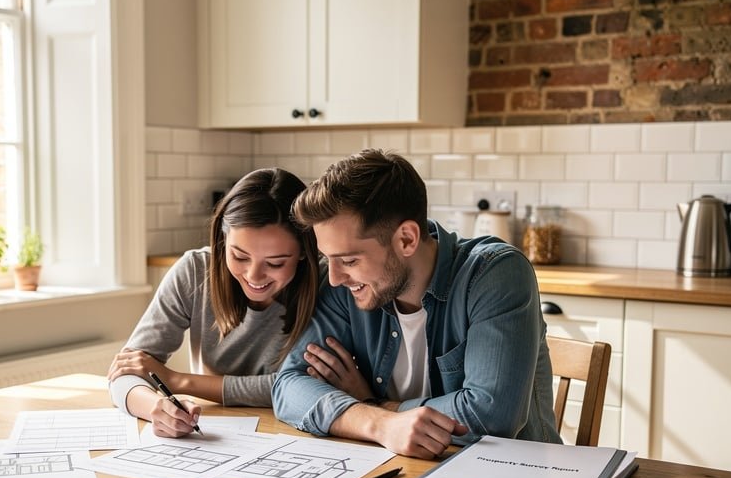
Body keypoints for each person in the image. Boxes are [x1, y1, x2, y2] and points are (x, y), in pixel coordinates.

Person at [272, 148, 561, 459]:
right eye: (328, 258)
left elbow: (489, 417)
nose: (335, 278)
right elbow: (288, 387)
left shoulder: (494, 274)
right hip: (402, 471)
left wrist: (375, 405)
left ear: (406, 239)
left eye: (350, 260)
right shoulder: (346, 285)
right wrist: (378, 423)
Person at [108, 168, 320, 437]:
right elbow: (126, 373)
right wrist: (156, 407)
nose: (254, 276)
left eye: (276, 263)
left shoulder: (326, 282)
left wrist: (179, 380)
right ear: (223, 239)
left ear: (303, 251)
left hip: (298, 435)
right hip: (215, 435)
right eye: (240, 257)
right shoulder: (194, 271)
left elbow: (306, 386)